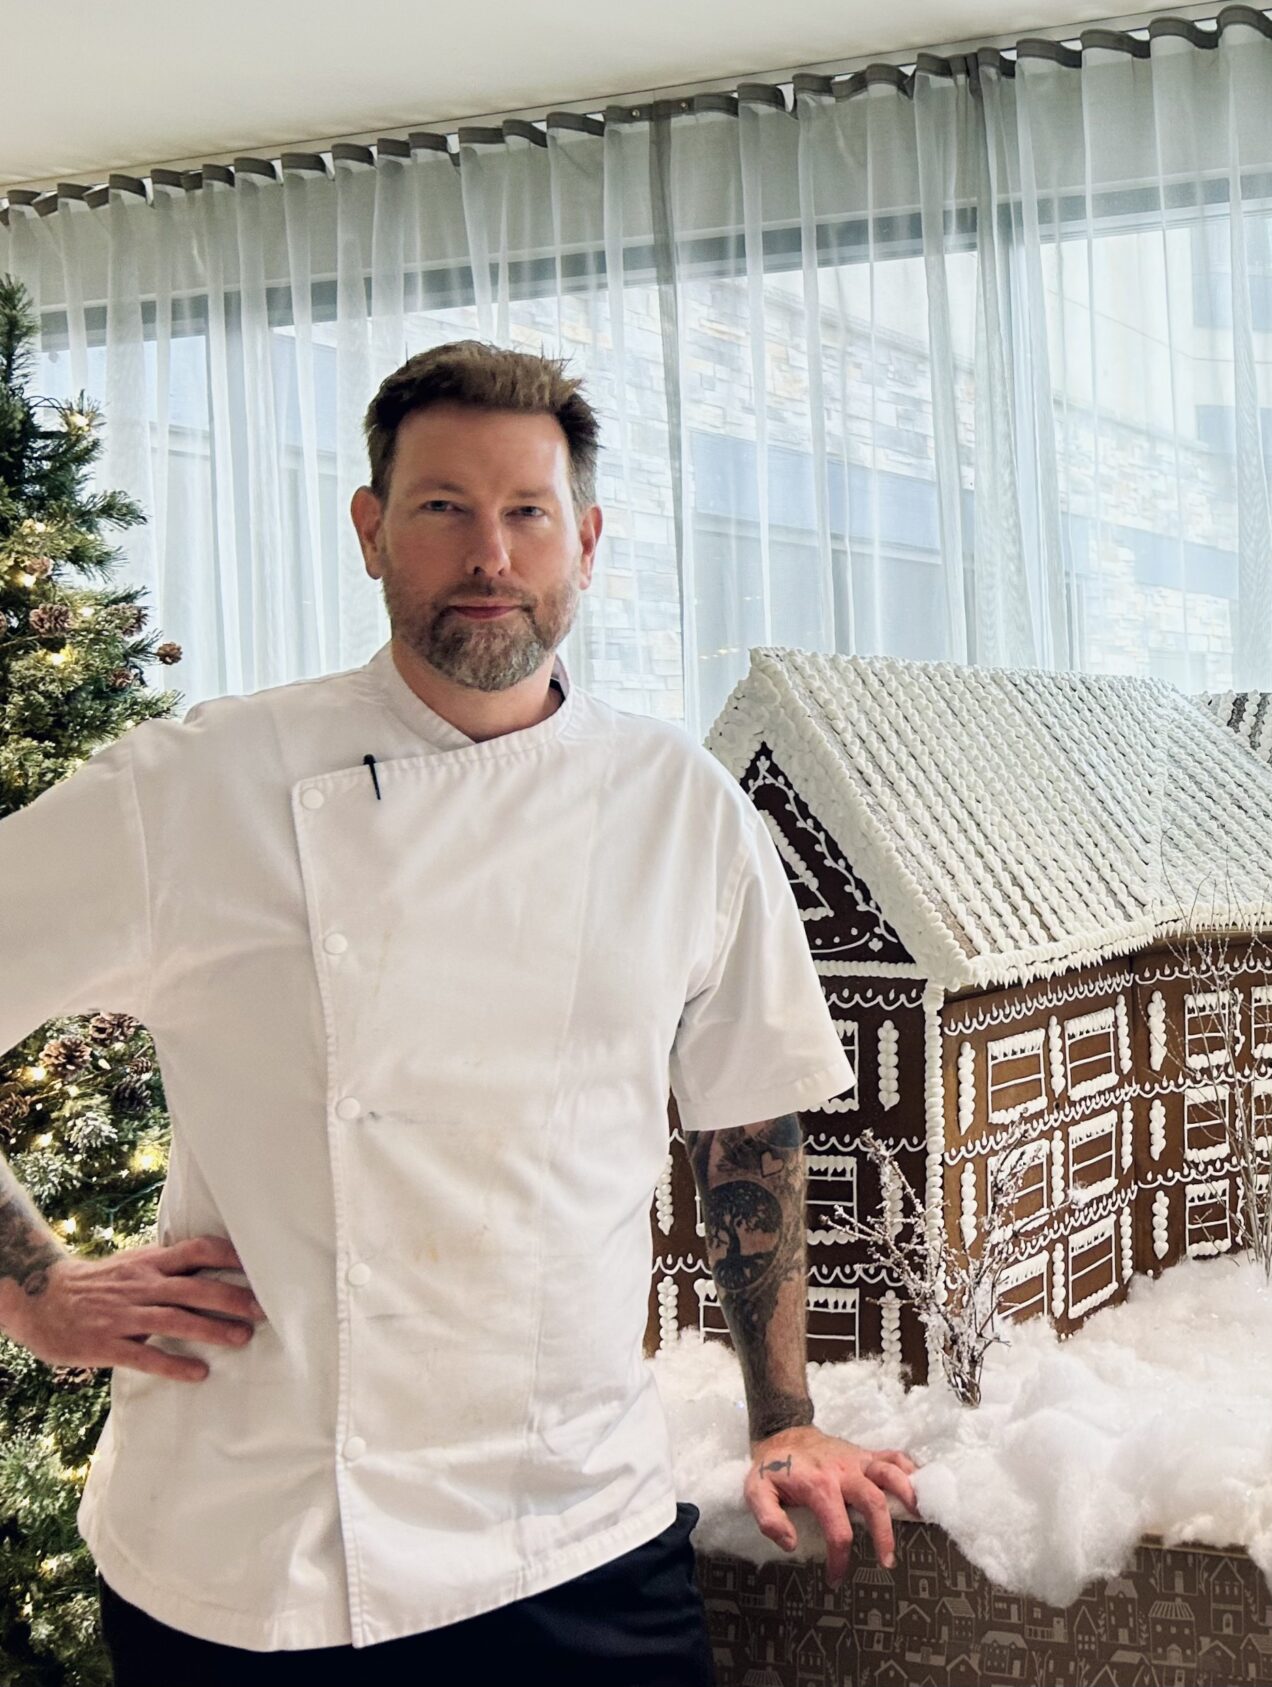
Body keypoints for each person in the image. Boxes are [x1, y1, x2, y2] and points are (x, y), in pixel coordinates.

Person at [0, 341, 916, 1685]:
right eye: (442, 510)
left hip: (575, 1532)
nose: (490, 554)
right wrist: (35, 1291)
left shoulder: (681, 810)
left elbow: (746, 1130)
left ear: (585, 543)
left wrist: (785, 1419)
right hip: (259, 1562)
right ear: (371, 532)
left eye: (526, 514)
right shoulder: (198, 789)